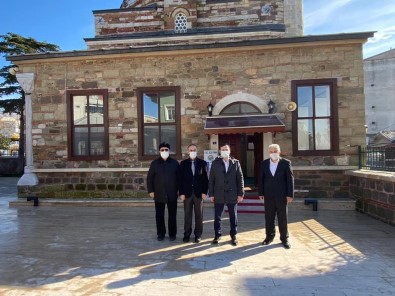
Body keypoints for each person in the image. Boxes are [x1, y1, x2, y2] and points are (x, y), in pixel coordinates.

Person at [258, 144, 294, 249]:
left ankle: (284, 238)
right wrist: (261, 192)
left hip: (282, 195)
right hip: (268, 195)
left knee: (282, 217)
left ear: (279, 152)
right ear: (269, 153)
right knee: (269, 217)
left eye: (275, 151)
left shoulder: (286, 163)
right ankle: (269, 237)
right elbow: (261, 179)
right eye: (271, 151)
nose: (273, 153)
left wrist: (290, 194)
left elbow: (290, 180)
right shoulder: (264, 163)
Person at [208, 144, 244, 246]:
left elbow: (240, 179)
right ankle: (217, 235)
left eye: (226, 149)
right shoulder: (215, 163)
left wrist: (240, 193)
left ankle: (233, 235)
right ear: (220, 151)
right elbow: (211, 180)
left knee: (233, 216)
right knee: (217, 216)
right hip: (219, 194)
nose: (224, 151)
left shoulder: (236, 163)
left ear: (229, 151)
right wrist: (211, 194)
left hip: (232, 194)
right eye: (223, 149)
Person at [147, 142, 180, 241]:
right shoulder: (154, 163)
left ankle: (172, 234)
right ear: (159, 151)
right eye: (162, 150)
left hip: (172, 193)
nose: (164, 151)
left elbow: (179, 178)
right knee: (159, 215)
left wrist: (179, 190)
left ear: (169, 151)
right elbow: (149, 178)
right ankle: (161, 233)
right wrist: (151, 191)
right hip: (158, 193)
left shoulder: (174, 163)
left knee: (172, 215)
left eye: (166, 150)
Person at [178, 144, 209, 243]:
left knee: (199, 215)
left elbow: (206, 179)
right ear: (188, 151)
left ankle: (198, 234)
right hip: (187, 194)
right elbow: (180, 180)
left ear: (197, 150)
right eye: (190, 150)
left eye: (194, 150)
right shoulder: (183, 164)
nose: (192, 151)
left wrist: (205, 192)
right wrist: (181, 193)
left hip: (199, 194)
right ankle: (187, 234)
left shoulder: (203, 163)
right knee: (187, 215)